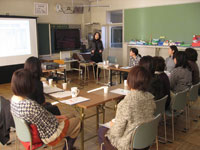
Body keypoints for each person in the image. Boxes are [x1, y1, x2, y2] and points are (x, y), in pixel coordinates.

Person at [10, 69, 80, 150]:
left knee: (72, 116)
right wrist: (60, 118)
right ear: (27, 84)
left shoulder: (13, 99)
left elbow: (44, 117)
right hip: (47, 135)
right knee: (78, 121)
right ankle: (67, 147)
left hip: (29, 133)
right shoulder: (30, 105)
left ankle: (67, 144)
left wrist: (59, 117)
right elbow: (50, 123)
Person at [98, 66, 156, 150]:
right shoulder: (151, 99)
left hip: (129, 143)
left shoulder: (125, 104)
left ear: (129, 81)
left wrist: (112, 125)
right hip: (146, 139)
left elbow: (117, 132)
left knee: (101, 131)